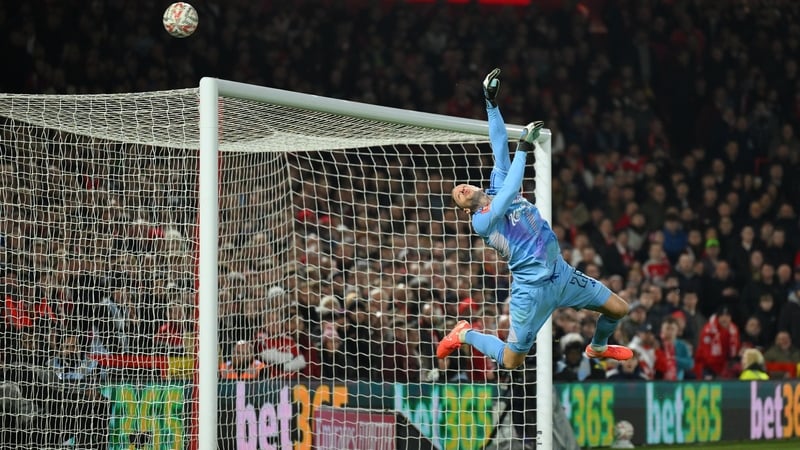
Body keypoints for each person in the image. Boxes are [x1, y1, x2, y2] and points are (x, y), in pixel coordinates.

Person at [437, 68, 633, 371]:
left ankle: (598, 347)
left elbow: (499, 143)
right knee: (512, 361)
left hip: (562, 274)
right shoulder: (482, 222)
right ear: (465, 210)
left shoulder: (497, 183)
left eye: (460, 187)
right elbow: (510, 191)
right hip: (531, 290)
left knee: (619, 309)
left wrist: (491, 103)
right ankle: (465, 334)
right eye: (457, 196)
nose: (460, 190)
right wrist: (525, 148)